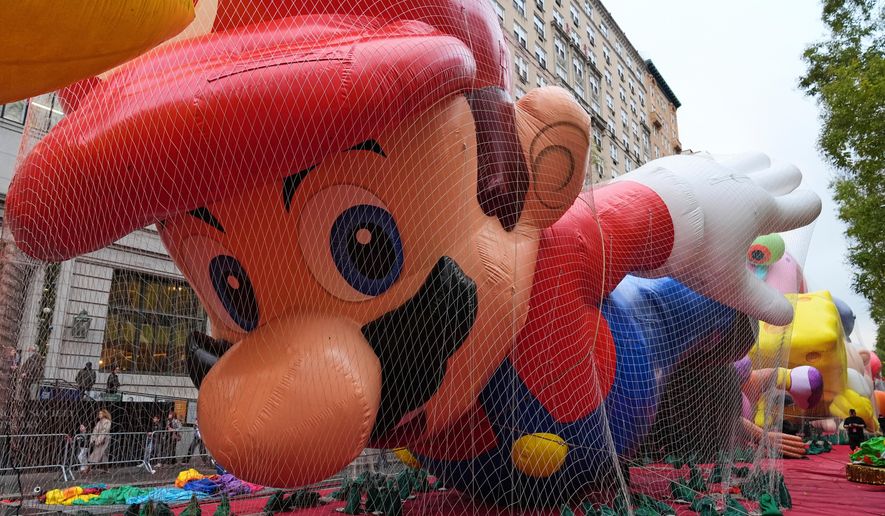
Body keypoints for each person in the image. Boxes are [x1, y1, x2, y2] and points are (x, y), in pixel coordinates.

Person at [84, 409, 112, 474]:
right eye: (99, 413)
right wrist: (93, 439)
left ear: (104, 414)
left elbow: (104, 431)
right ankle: (106, 470)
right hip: (98, 440)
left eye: (100, 413)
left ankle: (88, 469)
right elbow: (95, 431)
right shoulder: (99, 422)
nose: (99, 415)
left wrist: (99, 440)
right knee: (102, 455)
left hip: (104, 440)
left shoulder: (107, 422)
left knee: (97, 454)